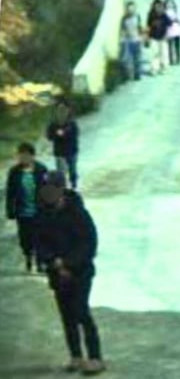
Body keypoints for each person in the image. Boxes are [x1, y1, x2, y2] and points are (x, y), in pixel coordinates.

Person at [37, 171, 105, 376]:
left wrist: (68, 263)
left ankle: (95, 357)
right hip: (56, 272)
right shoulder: (42, 214)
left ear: (61, 190)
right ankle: (75, 356)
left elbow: (89, 243)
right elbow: (38, 242)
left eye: (52, 189)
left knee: (81, 311)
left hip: (80, 271)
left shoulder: (78, 212)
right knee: (66, 315)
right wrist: (53, 261)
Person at [5, 142, 49, 273]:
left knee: (40, 237)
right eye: (20, 155)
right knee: (25, 237)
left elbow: (48, 190)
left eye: (26, 155)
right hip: (22, 212)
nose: (23, 158)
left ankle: (40, 262)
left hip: (39, 211)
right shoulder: (14, 172)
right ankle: (28, 257)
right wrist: (10, 209)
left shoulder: (41, 170)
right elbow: (10, 192)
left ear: (32, 156)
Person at [46, 99, 81, 190]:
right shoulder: (53, 124)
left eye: (64, 109)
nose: (62, 111)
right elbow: (49, 136)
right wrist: (56, 134)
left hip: (71, 151)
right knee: (61, 172)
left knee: (72, 170)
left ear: (68, 110)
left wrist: (65, 133)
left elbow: (76, 134)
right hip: (59, 152)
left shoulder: (71, 123)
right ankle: (63, 188)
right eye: (60, 109)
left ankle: (74, 186)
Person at [119, 1, 144, 81]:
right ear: (127, 9)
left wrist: (142, 38)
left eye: (132, 8)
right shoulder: (124, 19)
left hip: (137, 40)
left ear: (135, 8)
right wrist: (122, 40)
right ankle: (128, 75)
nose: (131, 10)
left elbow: (140, 28)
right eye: (129, 9)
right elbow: (122, 30)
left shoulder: (137, 17)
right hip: (128, 42)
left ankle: (137, 74)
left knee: (137, 59)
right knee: (128, 59)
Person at [146, 0, 171, 75]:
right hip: (153, 38)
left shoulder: (165, 16)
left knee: (163, 53)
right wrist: (147, 37)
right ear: (153, 7)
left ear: (162, 7)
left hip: (163, 38)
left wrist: (167, 36)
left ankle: (163, 67)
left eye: (160, 6)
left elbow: (169, 25)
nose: (158, 8)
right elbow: (148, 26)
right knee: (155, 53)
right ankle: (154, 68)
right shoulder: (151, 15)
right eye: (156, 6)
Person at [164, 0, 180, 66]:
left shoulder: (176, 11)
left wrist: (178, 21)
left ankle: (178, 59)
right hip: (169, 31)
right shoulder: (165, 12)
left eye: (171, 3)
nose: (169, 5)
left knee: (177, 46)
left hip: (177, 31)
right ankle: (171, 60)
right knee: (170, 46)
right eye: (168, 3)